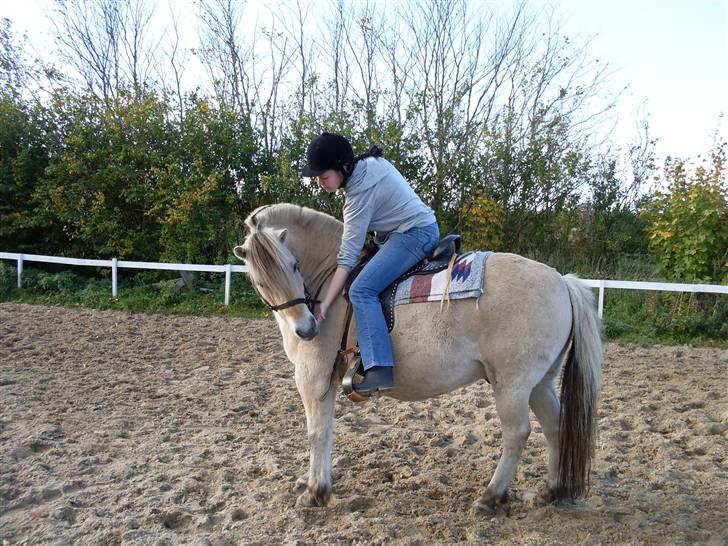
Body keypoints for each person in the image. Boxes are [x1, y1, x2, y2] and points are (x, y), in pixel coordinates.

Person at [301, 132, 439, 395]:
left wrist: (326, 302)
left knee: (361, 290)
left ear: (343, 167)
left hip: (414, 234)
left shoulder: (358, 196)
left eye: (323, 175)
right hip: (402, 232)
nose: (319, 182)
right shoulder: (370, 165)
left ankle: (379, 368)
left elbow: (347, 256)